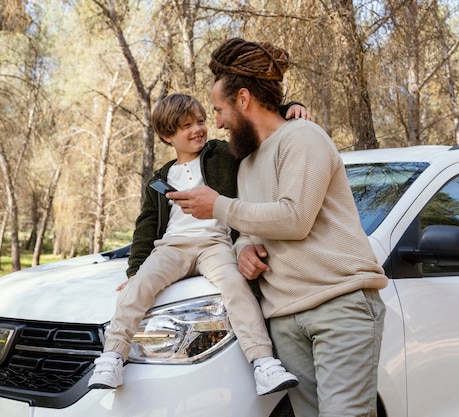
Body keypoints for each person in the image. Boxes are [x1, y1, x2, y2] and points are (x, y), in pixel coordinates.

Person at [168, 38, 388, 417]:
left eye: (219, 110)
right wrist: (244, 251)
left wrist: (217, 206)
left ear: (243, 99)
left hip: (338, 305)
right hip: (284, 318)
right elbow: (251, 228)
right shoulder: (248, 162)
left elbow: (294, 218)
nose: (217, 122)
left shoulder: (302, 137)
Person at [88, 93, 310, 395]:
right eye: (186, 126)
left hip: (215, 244)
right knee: (138, 288)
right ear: (168, 136)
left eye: (202, 121)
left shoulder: (221, 153)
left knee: (235, 286)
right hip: (173, 247)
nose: (198, 129)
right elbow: (146, 225)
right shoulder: (160, 178)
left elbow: (256, 131)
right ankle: (112, 356)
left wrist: (287, 109)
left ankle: (263, 364)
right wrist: (135, 271)